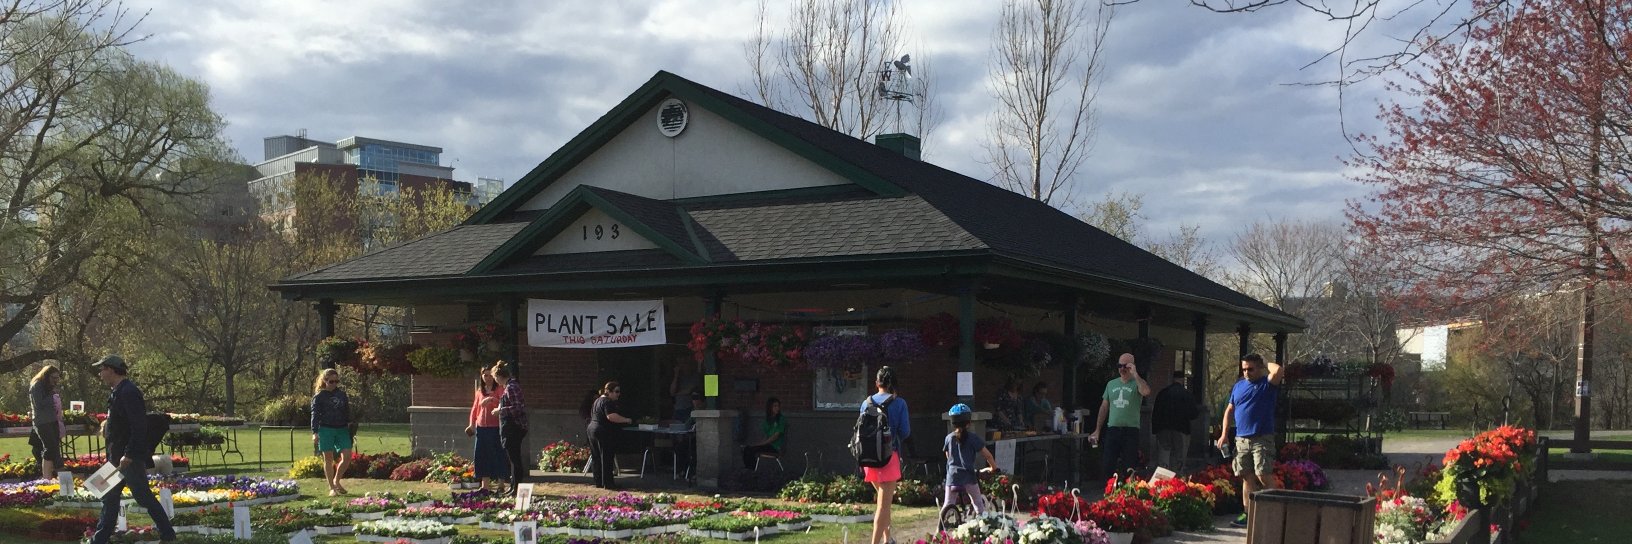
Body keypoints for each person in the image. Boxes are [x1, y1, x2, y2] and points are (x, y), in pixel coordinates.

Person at [89, 355, 175, 544]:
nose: (100, 374)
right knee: (107, 495)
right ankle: (99, 539)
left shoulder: (128, 392)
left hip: (127, 458)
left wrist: (129, 454)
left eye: (102, 369)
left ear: (111, 369)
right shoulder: (117, 391)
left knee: (143, 497)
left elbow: (139, 426)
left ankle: (168, 535)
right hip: (116, 456)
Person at [1216, 353, 1284, 528]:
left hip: (1262, 438)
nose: (1246, 372)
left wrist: (1264, 362)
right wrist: (1224, 434)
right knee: (1246, 476)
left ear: (1259, 368)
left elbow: (1278, 370)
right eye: (1244, 369)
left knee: (1263, 474)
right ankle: (1248, 514)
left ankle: (1278, 512)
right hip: (1241, 439)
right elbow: (1229, 410)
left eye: (1250, 369)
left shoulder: (1267, 384)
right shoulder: (1238, 387)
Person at [861, 366, 911, 544]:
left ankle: (888, 538)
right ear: (893, 384)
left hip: (868, 458)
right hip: (889, 457)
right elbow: (905, 432)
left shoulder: (866, 403)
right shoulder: (899, 403)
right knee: (883, 506)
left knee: (885, 502)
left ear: (877, 383)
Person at [1089, 353, 1150, 480]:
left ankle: (1127, 495)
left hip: (1130, 430)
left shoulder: (1137, 382)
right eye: (1119, 366)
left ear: (1132, 366)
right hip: (1113, 429)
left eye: (1126, 366)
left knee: (1129, 466)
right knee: (1108, 464)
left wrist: (1135, 374)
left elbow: (1146, 392)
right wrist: (1097, 430)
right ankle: (1109, 491)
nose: (1122, 369)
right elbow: (1104, 407)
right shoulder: (1111, 384)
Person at [941, 403, 997, 520]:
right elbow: (987, 455)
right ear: (969, 422)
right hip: (968, 476)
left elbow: (947, 455)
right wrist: (993, 467)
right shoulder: (973, 438)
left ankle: (940, 528)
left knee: (948, 504)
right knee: (977, 503)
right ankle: (982, 525)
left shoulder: (949, 438)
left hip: (952, 477)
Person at [311, 368, 353, 496]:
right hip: (325, 429)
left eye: (336, 381)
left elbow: (346, 411)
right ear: (324, 381)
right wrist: (315, 432)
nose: (334, 384)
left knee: (347, 456)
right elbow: (315, 414)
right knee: (328, 459)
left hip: (342, 429)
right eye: (331, 381)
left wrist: (350, 424)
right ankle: (332, 487)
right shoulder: (319, 396)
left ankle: (337, 480)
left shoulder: (341, 394)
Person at [465, 367, 508, 492]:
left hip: (495, 427)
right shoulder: (479, 391)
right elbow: (475, 409)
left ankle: (501, 484)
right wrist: (471, 424)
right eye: (485, 375)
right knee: (482, 455)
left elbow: (503, 403)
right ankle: (485, 486)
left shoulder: (499, 389)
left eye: (489, 375)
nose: (487, 378)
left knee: (498, 454)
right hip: (482, 428)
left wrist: (492, 400)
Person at [491, 362, 529, 494]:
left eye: (495, 377)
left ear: (499, 376)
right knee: (512, 459)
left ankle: (517, 487)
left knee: (515, 459)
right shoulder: (508, 387)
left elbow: (518, 408)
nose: (495, 381)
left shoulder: (512, 387)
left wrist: (500, 411)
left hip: (514, 427)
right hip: (510, 427)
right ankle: (513, 486)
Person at [586, 380, 631, 489]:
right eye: (616, 391)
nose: (618, 394)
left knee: (596, 456)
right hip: (602, 430)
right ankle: (608, 483)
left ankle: (599, 482)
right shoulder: (607, 402)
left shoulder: (597, 400)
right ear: (609, 392)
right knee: (606, 456)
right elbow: (611, 416)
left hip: (592, 428)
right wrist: (626, 420)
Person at [1152, 371, 1200, 472]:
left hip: (1163, 429)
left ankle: (1162, 480)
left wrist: (1155, 429)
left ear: (1172, 379)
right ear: (1183, 380)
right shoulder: (1186, 394)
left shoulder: (1162, 393)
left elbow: (1155, 412)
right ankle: (1176, 480)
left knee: (1164, 455)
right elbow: (1194, 414)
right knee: (1178, 457)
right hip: (1181, 429)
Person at [28, 364, 66, 479]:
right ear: (46, 376)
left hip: (52, 420)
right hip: (43, 422)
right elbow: (38, 404)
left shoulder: (49, 387)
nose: (56, 380)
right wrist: (52, 397)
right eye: (53, 378)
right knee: (50, 447)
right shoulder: (37, 386)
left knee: (52, 448)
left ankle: (50, 476)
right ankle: (56, 474)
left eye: (57, 378)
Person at [740, 397, 786, 468]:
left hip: (776, 447)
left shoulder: (781, 419)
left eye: (778, 406)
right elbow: (765, 435)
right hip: (767, 445)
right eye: (775, 406)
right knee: (747, 449)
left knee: (752, 450)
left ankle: (752, 471)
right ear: (770, 407)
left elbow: (776, 435)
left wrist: (763, 443)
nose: (777, 408)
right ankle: (748, 469)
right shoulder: (767, 421)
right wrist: (758, 444)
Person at [670, 356, 701, 422]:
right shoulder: (678, 377)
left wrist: (676, 393)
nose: (682, 366)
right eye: (680, 364)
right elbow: (672, 392)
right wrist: (676, 375)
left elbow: (689, 390)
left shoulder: (695, 376)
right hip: (678, 408)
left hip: (688, 408)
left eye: (684, 363)